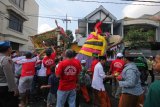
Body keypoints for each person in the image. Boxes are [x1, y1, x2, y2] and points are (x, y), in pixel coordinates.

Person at [0, 41, 19, 107]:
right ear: (9, 49)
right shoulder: (5, 59)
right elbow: (9, 76)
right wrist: (14, 89)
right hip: (6, 87)